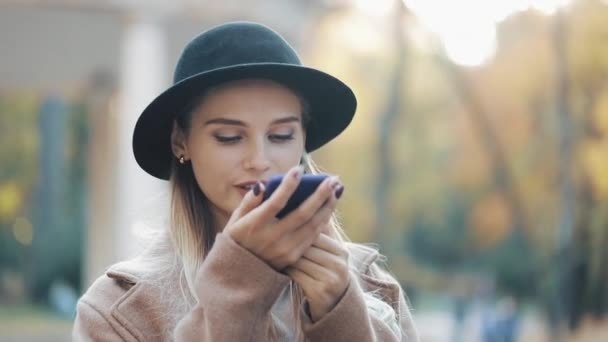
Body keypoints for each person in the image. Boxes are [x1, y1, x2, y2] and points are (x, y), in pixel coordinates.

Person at [72, 21, 418, 341]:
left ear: (303, 139)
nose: (259, 161)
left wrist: (342, 317)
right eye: (229, 137)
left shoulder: (371, 286)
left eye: (281, 135)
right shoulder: (118, 310)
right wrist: (239, 284)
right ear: (181, 141)